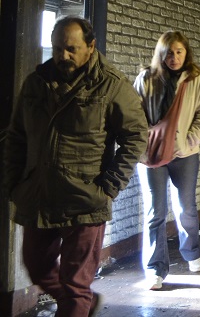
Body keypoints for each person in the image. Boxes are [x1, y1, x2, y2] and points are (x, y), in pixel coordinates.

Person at [4, 16, 148, 316]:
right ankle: (82, 302)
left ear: (90, 46)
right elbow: (16, 135)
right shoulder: (36, 82)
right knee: (37, 266)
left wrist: (108, 188)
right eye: (58, 48)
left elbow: (136, 136)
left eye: (72, 49)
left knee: (75, 286)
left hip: (85, 201)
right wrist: (14, 182)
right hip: (39, 196)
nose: (63, 55)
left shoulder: (112, 85)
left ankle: (78, 302)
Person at [134, 31, 200, 290]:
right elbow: (133, 116)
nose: (174, 57)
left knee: (185, 207)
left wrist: (189, 141)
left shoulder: (195, 78)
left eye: (179, 51)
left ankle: (191, 253)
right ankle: (155, 269)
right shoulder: (146, 78)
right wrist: (145, 144)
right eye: (169, 52)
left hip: (185, 155)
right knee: (155, 212)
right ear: (161, 53)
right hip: (151, 155)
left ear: (186, 53)